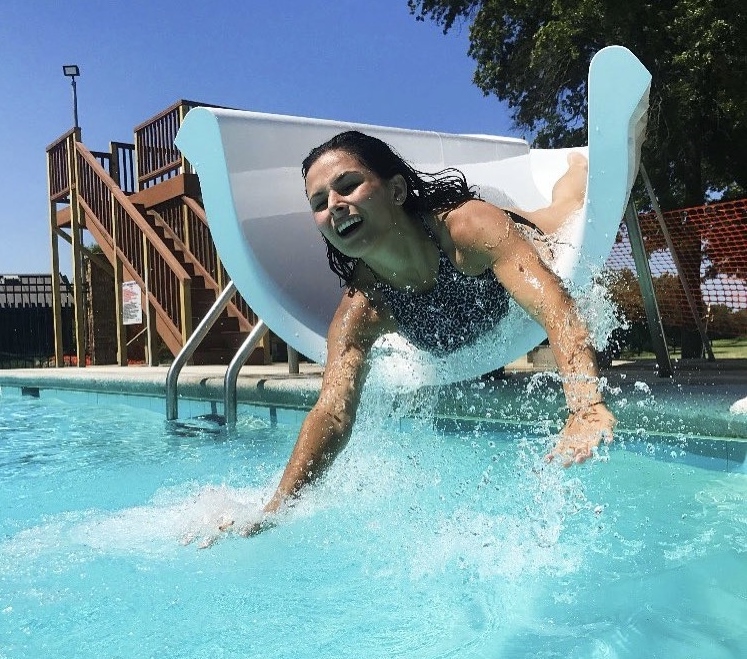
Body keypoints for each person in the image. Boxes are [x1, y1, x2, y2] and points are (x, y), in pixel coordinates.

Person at [236, 130, 616, 537]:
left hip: (529, 243)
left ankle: (576, 164)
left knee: (561, 209)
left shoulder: (467, 230)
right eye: (319, 203)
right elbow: (332, 412)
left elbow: (557, 310)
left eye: (348, 185)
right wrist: (277, 507)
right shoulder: (361, 308)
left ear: (396, 189)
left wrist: (586, 408)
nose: (335, 206)